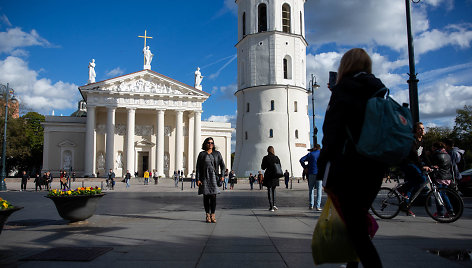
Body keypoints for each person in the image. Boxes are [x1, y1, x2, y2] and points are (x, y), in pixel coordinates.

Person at [317, 48, 387, 268]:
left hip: (348, 166)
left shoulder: (343, 89)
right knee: (354, 224)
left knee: (356, 231)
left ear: (345, 65)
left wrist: (323, 166)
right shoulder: (379, 89)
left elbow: (332, 130)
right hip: (374, 166)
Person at [400, 122, 431, 216]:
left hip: (415, 164)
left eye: (423, 128)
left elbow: (424, 155)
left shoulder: (422, 141)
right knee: (422, 178)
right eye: (420, 128)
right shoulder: (412, 140)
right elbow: (414, 155)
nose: (422, 130)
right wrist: (422, 166)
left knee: (412, 185)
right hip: (408, 163)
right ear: (416, 130)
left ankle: (405, 205)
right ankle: (402, 189)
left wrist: (431, 165)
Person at [196, 137, 225, 223]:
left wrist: (222, 175)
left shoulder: (217, 154)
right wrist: (198, 179)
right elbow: (198, 168)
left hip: (214, 177)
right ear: (205, 144)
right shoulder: (202, 154)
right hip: (205, 177)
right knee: (206, 196)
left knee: (213, 196)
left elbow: (223, 166)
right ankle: (207, 215)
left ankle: (213, 214)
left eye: (212, 143)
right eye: (208, 143)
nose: (210, 144)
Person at [430, 142, 454, 217]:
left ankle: (440, 212)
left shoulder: (436, 155)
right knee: (444, 194)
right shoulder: (448, 155)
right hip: (447, 177)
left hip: (439, 176)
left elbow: (433, 165)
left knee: (438, 195)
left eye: (433, 147)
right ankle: (450, 211)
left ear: (435, 147)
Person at [300, 144, 322, 210]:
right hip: (319, 174)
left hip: (311, 173)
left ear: (315, 148)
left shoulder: (310, 154)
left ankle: (311, 205)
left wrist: (305, 167)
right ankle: (318, 206)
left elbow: (301, 160)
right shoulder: (321, 154)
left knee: (311, 189)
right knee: (319, 190)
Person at [261, 146, 281, 211]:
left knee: (269, 190)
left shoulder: (266, 158)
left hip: (269, 176)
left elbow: (263, 167)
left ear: (268, 151)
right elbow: (279, 166)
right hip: (275, 176)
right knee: (274, 190)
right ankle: (274, 204)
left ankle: (271, 206)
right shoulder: (276, 158)